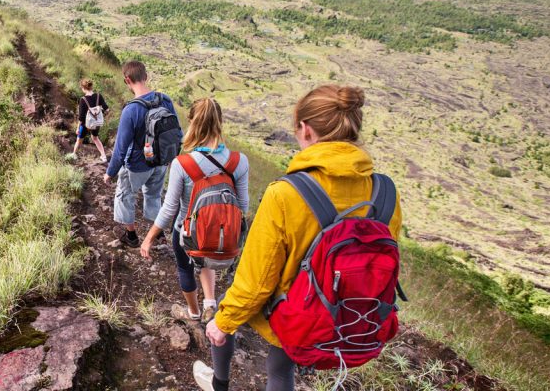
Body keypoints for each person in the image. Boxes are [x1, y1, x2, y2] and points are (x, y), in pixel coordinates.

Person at [196, 84, 402, 391]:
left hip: (297, 314)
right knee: (280, 366)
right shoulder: (386, 193)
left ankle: (219, 383)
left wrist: (223, 323)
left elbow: (256, 281)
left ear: (305, 130)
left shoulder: (285, 194)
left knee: (232, 316)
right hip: (352, 317)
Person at [140, 97, 249, 328]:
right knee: (207, 258)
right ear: (220, 122)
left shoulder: (183, 163)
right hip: (221, 236)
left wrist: (148, 238)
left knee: (185, 267)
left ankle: (194, 312)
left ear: (192, 123)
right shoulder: (240, 162)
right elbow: (243, 206)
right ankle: (210, 303)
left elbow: (169, 208)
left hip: (186, 233)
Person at [102, 61, 180, 248]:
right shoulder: (165, 100)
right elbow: (177, 133)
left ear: (127, 80)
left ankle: (131, 236)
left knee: (124, 195)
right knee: (153, 195)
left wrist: (110, 173)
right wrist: (172, 157)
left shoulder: (131, 110)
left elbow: (121, 149)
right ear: (146, 76)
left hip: (137, 165)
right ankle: (158, 234)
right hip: (161, 162)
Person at [73, 78, 109, 162]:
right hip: (96, 123)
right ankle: (103, 156)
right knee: (95, 138)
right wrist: (98, 113)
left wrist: (78, 128)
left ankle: (74, 154)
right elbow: (107, 109)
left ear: (83, 88)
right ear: (91, 86)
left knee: (79, 139)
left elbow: (81, 117)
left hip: (86, 124)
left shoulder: (83, 99)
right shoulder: (98, 96)